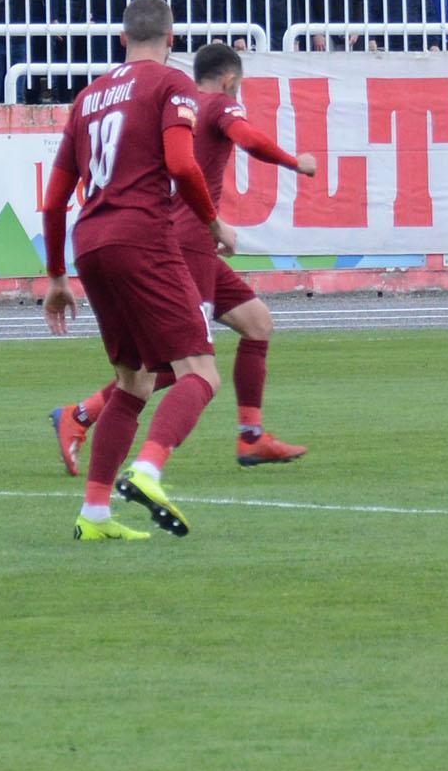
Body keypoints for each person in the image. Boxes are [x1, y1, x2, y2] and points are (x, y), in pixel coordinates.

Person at [52, 43, 321, 479]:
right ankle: (82, 415)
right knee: (185, 363)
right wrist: (296, 163)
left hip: (184, 241)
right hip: (186, 243)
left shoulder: (172, 103)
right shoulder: (216, 104)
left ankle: (251, 436)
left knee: (258, 324)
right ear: (231, 81)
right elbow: (248, 138)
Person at [40, 0, 234, 541]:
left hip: (90, 244)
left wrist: (56, 278)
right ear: (172, 40)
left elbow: (55, 200)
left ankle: (95, 514)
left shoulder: (90, 96)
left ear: (122, 39)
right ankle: (148, 471)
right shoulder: (171, 86)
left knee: (134, 381)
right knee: (201, 371)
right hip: (142, 236)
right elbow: (180, 162)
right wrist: (212, 221)